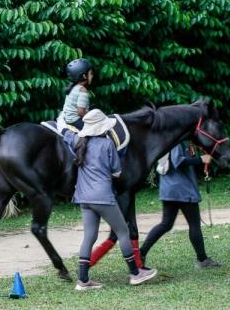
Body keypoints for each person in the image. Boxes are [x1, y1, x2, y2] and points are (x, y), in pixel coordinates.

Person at [61, 109, 157, 290]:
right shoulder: (107, 144)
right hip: (103, 196)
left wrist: (62, 117)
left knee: (89, 236)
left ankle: (82, 280)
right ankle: (135, 274)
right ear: (102, 127)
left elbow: (64, 131)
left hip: (83, 197)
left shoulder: (78, 141)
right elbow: (117, 171)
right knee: (123, 232)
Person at [140, 143, 221, 269]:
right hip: (182, 189)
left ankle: (141, 253)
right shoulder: (177, 141)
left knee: (165, 224)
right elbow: (178, 161)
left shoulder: (168, 139)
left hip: (169, 188)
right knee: (194, 224)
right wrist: (201, 159)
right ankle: (202, 260)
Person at [62, 58, 94, 130]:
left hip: (68, 118)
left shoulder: (73, 87)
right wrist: (92, 118)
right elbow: (81, 112)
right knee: (97, 130)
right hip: (75, 120)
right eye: (91, 73)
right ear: (84, 76)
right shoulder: (83, 90)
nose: (92, 76)